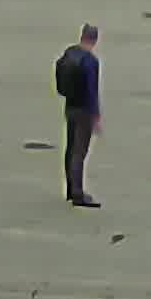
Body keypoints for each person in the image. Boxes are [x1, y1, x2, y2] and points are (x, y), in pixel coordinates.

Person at [55, 24, 104, 207]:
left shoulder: (70, 53)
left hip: (70, 106)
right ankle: (78, 193)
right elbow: (92, 91)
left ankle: (70, 188)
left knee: (70, 148)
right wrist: (96, 116)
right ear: (94, 40)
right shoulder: (91, 61)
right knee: (79, 151)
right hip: (84, 110)